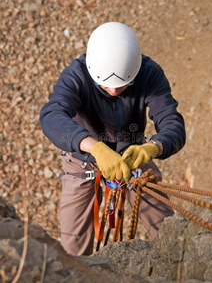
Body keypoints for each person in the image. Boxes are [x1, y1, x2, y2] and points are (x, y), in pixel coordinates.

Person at [39, 22, 186, 256]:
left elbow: (173, 124)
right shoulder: (76, 75)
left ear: (135, 69)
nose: (114, 91)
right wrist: (94, 147)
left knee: (167, 230)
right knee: (73, 245)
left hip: (132, 157)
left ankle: (177, 266)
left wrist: (152, 147)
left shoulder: (148, 74)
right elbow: (51, 115)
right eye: (104, 84)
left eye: (122, 84)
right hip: (83, 160)